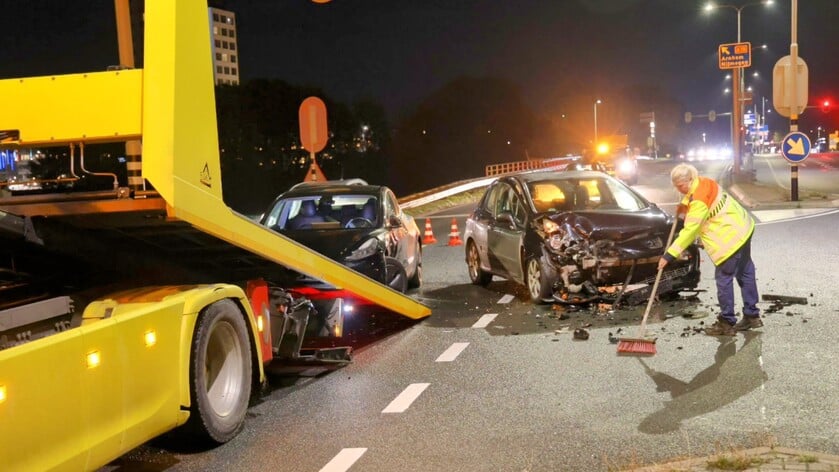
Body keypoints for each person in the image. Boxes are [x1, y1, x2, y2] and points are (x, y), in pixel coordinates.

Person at [658, 163, 762, 336]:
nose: (679, 190)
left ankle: (727, 322)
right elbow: (695, 197)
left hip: (729, 239)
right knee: (745, 271)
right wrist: (684, 205)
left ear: (690, 180)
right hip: (743, 227)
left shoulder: (698, 201)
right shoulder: (706, 182)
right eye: (676, 187)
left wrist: (669, 255)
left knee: (724, 278)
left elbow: (690, 231)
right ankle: (752, 316)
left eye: (681, 186)